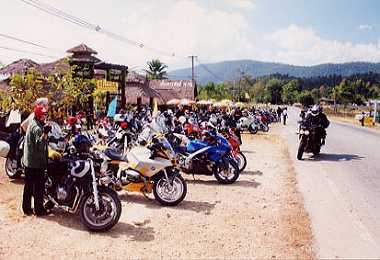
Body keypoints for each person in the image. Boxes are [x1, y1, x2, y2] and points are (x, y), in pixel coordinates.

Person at [22, 105, 51, 216]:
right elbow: (40, 144)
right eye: (44, 115)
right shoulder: (36, 127)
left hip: (30, 161)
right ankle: (39, 210)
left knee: (28, 186)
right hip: (35, 162)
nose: (45, 117)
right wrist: (45, 133)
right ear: (39, 115)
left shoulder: (35, 123)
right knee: (38, 187)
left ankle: (27, 208)